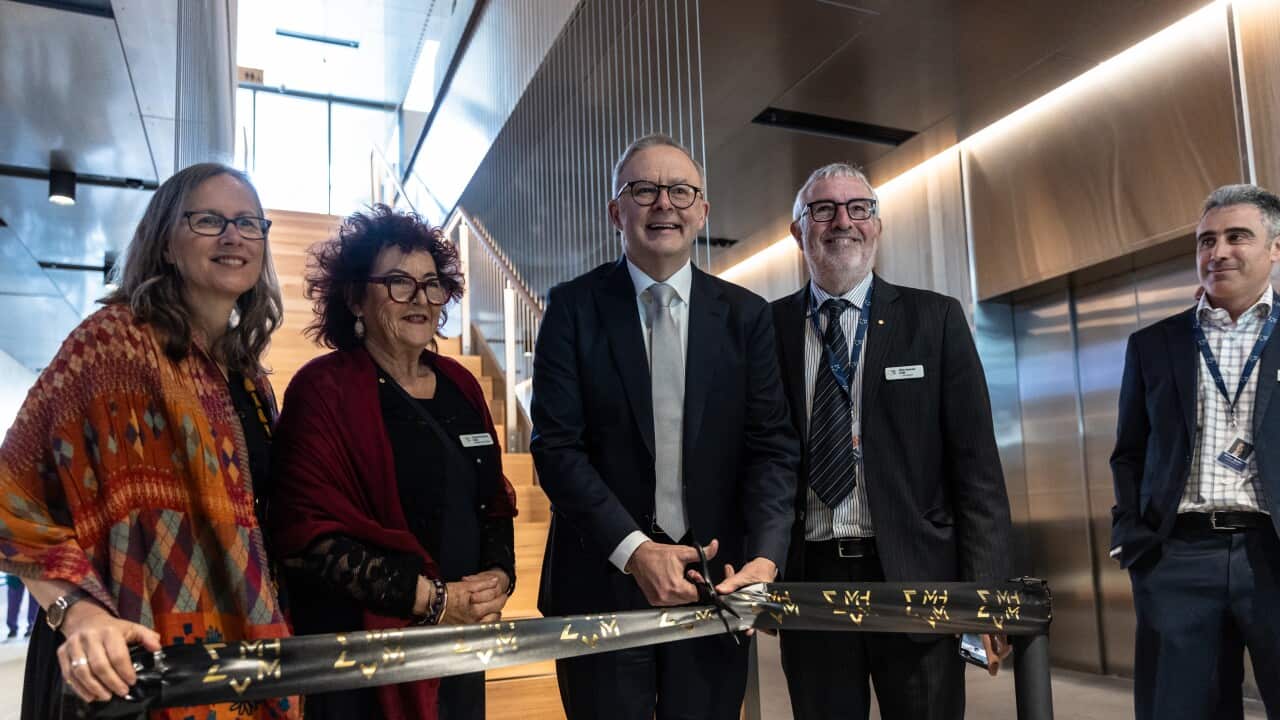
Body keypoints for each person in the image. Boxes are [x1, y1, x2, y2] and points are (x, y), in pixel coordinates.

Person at [0, 163, 295, 719]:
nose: (233, 236)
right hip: (119, 662)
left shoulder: (250, 379)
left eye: (249, 223)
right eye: (209, 220)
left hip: (226, 657)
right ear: (165, 242)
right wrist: (77, 613)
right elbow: (10, 491)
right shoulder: (111, 345)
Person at [530, 133, 800, 720]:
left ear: (703, 211)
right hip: (600, 583)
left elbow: (772, 450)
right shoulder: (571, 308)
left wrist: (768, 557)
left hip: (716, 584)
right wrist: (634, 552)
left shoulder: (746, 317)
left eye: (681, 191)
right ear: (615, 211)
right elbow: (555, 448)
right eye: (644, 190)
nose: (664, 204)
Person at [770, 163, 1013, 720]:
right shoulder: (768, 329)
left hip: (916, 576)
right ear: (798, 232)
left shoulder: (935, 320)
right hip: (812, 581)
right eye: (823, 209)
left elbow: (976, 467)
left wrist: (988, 589)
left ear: (876, 226)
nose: (842, 221)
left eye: (859, 208)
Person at [269, 204, 517, 720]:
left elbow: (493, 499)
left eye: (431, 284)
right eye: (399, 283)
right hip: (364, 657)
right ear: (356, 297)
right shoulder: (324, 389)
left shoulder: (461, 384)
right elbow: (305, 535)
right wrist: (430, 598)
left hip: (460, 641)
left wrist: (500, 574)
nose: (420, 299)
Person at [1112, 183, 1280, 718]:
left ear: (1274, 248)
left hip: (1273, 550)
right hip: (1178, 557)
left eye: (1238, 236)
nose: (1219, 251)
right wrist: (1133, 539)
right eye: (1207, 240)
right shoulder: (1153, 345)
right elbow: (1129, 453)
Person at [4, 573, 36, 638]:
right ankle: (12, 628)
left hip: (33, 569)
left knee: (34, 599)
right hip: (14, 570)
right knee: (13, 601)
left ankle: (33, 625)